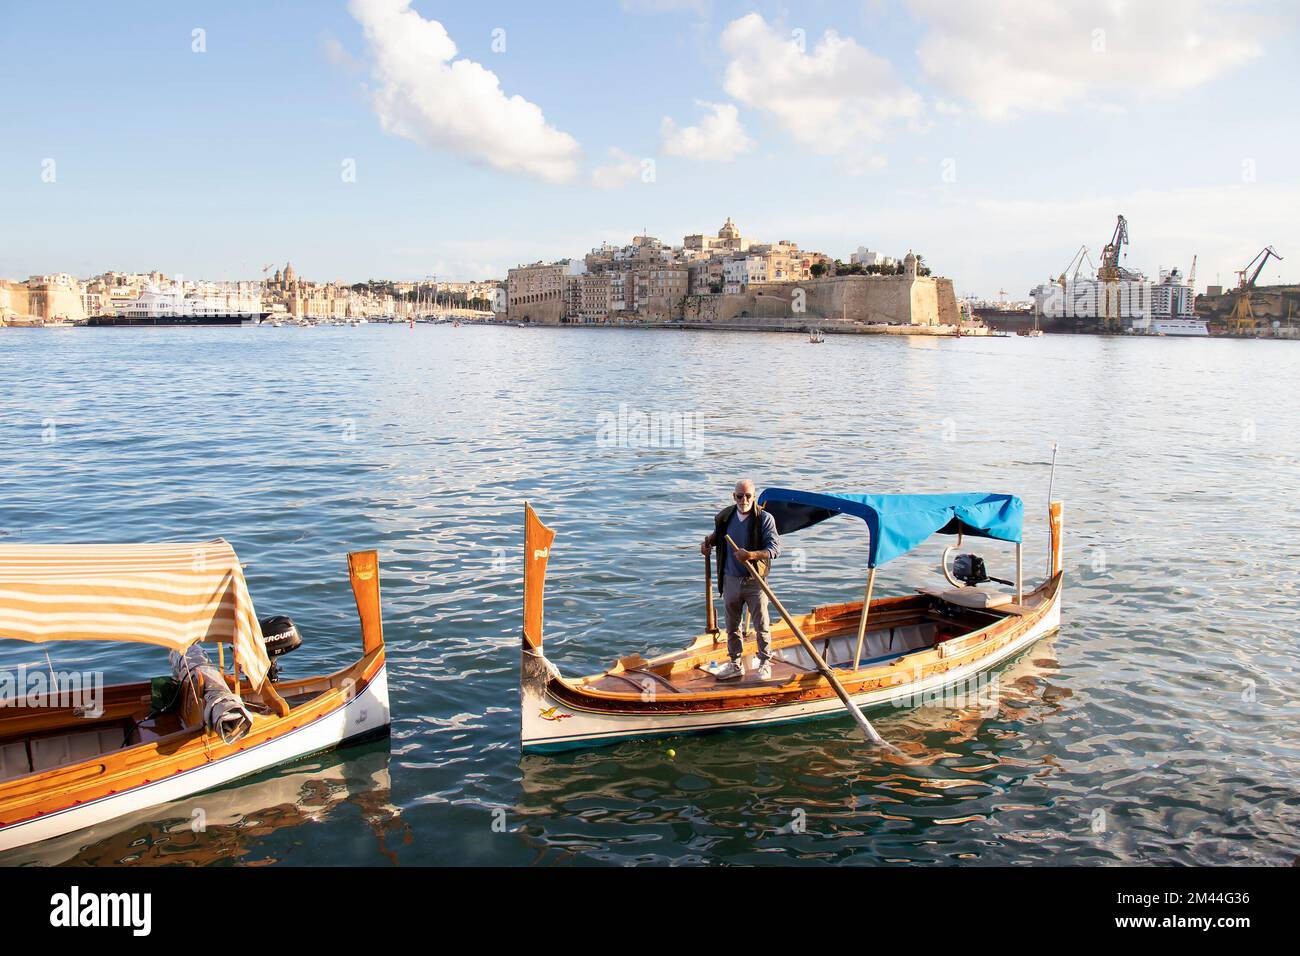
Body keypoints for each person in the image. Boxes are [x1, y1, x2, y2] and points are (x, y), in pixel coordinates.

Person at [699, 479, 781, 680]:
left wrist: (751, 555)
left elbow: (775, 549)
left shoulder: (764, 518)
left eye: (748, 496)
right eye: (739, 496)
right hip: (731, 580)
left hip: (755, 582)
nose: (743, 500)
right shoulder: (726, 517)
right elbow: (716, 537)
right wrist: (706, 545)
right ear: (733, 496)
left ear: (754, 497)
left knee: (761, 624)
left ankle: (764, 662)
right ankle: (735, 663)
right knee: (732, 626)